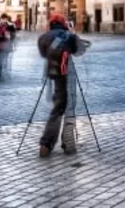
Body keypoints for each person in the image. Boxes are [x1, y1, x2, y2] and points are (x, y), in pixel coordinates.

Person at [37, 13, 89, 157]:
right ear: (63, 24)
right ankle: (58, 141)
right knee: (65, 106)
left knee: (58, 105)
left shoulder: (43, 38)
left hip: (51, 74)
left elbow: (43, 54)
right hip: (66, 74)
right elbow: (79, 51)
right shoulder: (68, 36)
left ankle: (49, 143)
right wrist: (72, 34)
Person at [0, 13, 15, 82]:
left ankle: (3, 76)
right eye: (3, 19)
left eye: (5, 19)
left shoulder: (10, 26)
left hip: (5, 47)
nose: (4, 20)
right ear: (0, 19)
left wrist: (10, 37)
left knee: (4, 62)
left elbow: (13, 36)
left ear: (7, 19)